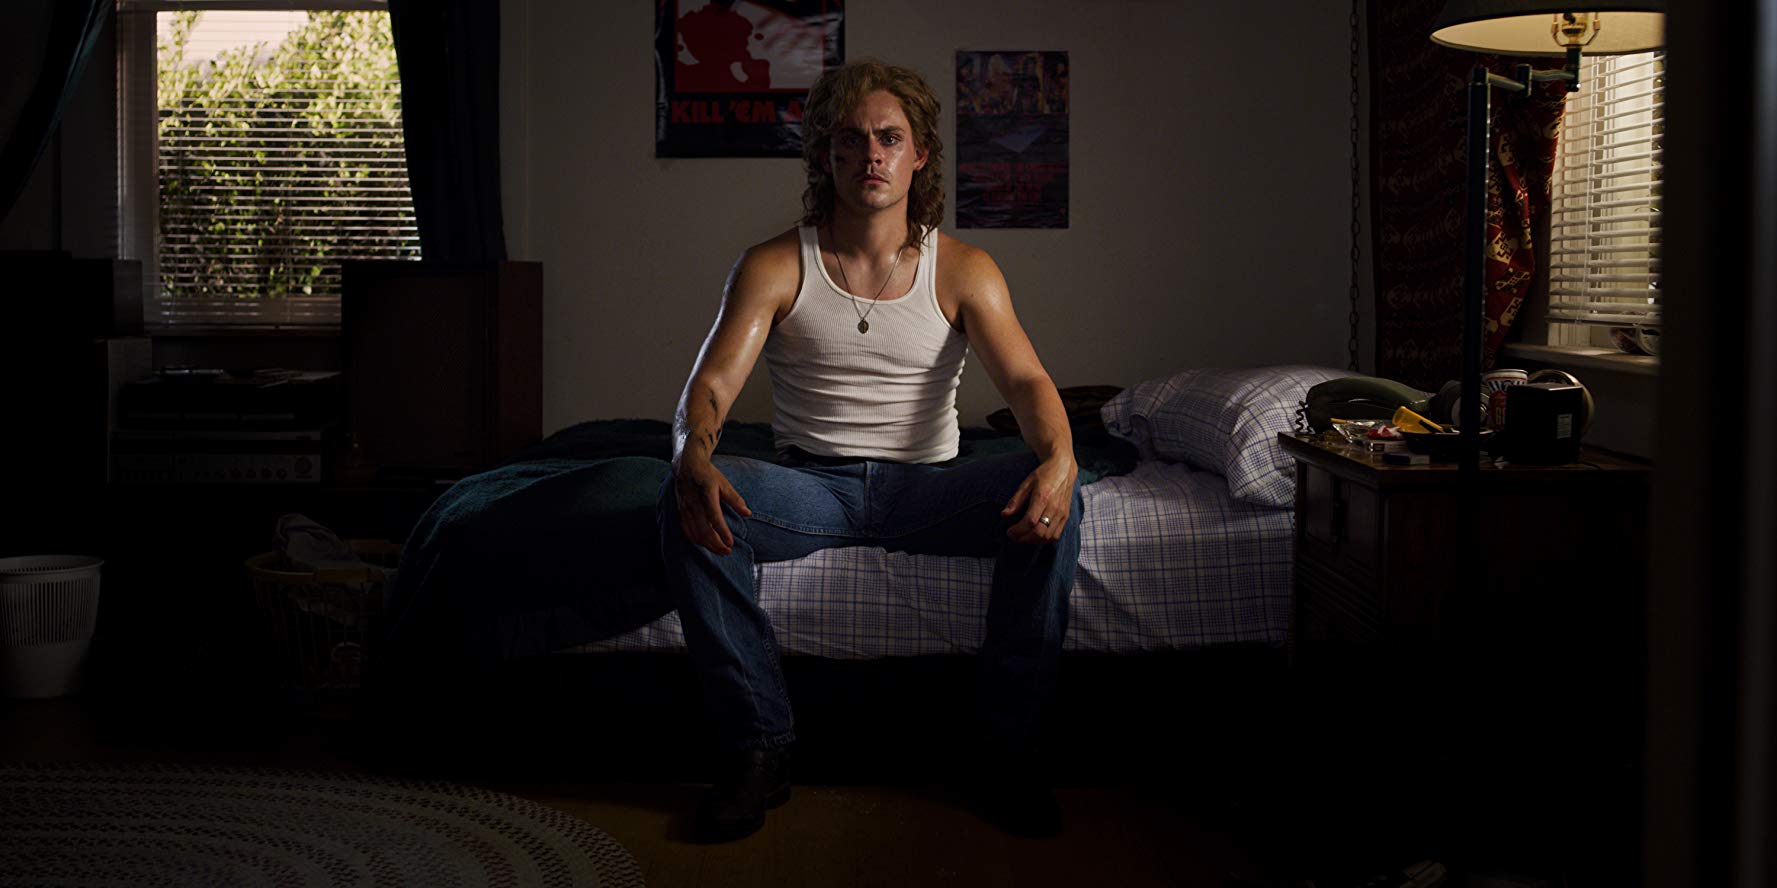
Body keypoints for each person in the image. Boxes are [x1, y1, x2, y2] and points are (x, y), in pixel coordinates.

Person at [658, 60, 1083, 842]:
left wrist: (1060, 459)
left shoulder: (965, 268)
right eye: (850, 140)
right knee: (686, 495)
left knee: (1056, 486)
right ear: (825, 155)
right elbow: (711, 385)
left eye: (889, 138)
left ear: (919, 154)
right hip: (809, 491)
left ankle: (1004, 752)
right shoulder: (774, 263)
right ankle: (757, 749)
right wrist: (691, 453)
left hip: (928, 492)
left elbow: (1025, 382)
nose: (870, 156)